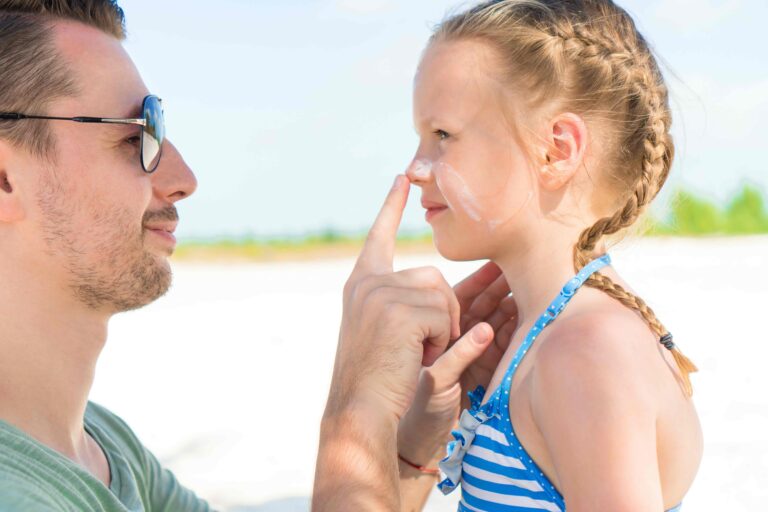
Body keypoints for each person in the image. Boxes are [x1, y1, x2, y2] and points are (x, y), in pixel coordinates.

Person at [0, 1, 515, 510]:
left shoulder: (101, 446)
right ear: (5, 179)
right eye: (139, 135)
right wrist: (355, 412)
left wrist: (405, 449)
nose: (184, 180)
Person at [381, 0, 704, 511]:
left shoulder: (584, 351)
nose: (416, 168)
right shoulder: (545, 337)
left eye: (443, 135)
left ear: (556, 149)